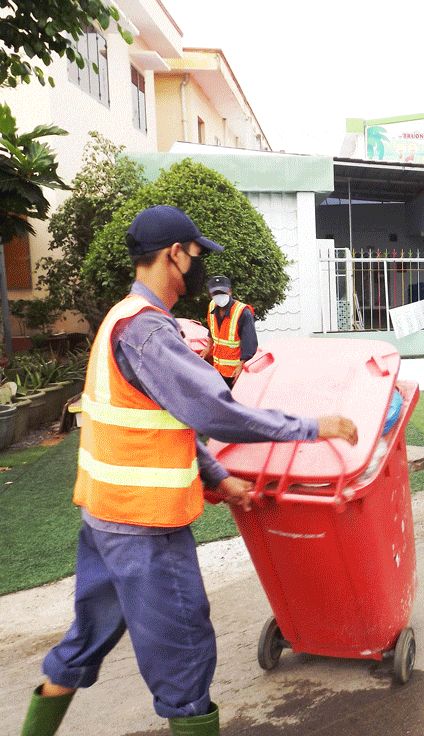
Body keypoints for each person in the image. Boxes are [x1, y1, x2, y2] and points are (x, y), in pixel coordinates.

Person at [19, 205, 358, 736]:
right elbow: (214, 411)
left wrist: (217, 476)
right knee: (184, 656)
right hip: (147, 528)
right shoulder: (149, 332)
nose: (200, 269)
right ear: (176, 254)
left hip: (105, 519)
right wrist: (313, 427)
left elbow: (165, 422)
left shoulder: (119, 318)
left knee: (84, 642)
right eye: (196, 255)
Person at [202, 275, 256, 388]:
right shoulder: (212, 306)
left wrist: (241, 367)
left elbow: (249, 345)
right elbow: (212, 328)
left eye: (223, 293)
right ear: (210, 294)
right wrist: (208, 347)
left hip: (235, 373)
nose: (219, 297)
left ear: (230, 292)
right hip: (218, 370)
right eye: (215, 294)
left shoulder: (242, 312)